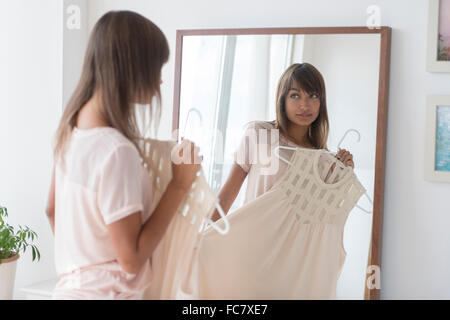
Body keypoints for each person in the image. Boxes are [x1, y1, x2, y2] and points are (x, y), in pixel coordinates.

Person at [45, 10, 202, 299]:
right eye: (157, 68)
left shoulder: (69, 133)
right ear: (132, 67)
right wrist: (179, 185)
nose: (160, 82)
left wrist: (86, 263)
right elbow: (131, 259)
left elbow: (51, 211)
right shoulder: (116, 152)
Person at [212, 62, 354, 220]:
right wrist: (202, 239)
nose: (304, 105)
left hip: (292, 244)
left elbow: (320, 220)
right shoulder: (260, 134)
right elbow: (225, 198)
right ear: (282, 100)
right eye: (295, 95)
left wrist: (342, 174)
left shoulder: (324, 160)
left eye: (313, 96)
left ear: (321, 102)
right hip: (250, 239)